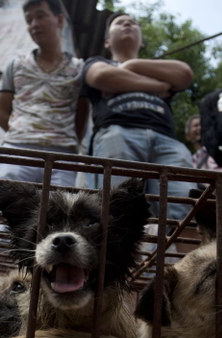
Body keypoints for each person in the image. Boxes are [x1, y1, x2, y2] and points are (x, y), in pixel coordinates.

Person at [81, 12, 195, 222]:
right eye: (120, 23)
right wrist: (159, 86)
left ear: (141, 41)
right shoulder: (95, 62)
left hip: (168, 141)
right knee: (116, 206)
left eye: (132, 23)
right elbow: (101, 76)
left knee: (185, 211)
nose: (127, 24)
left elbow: (185, 74)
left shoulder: (153, 67)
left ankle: (185, 256)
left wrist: (132, 66)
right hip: (116, 132)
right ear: (107, 41)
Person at [0, 0, 88, 187]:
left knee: (57, 214)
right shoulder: (16, 65)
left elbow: (82, 116)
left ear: (59, 20)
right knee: (8, 213)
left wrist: (62, 139)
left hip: (63, 156)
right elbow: (1, 114)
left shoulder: (79, 68)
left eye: (40, 16)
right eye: (29, 20)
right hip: (17, 150)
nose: (34, 24)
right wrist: (24, 134)